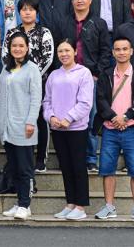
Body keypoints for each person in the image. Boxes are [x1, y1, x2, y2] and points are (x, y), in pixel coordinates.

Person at [55, 0, 112, 171]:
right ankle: (71, 157)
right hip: (68, 77)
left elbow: (106, 51)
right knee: (68, 115)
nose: (79, 1)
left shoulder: (99, 23)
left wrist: (97, 74)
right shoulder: (64, 22)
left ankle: (90, 158)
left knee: (89, 116)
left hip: (90, 77)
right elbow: (59, 48)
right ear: (71, 1)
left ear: (90, 0)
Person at [2, 0, 54, 172]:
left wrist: (31, 76)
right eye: (24, 9)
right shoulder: (12, 33)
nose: (27, 12)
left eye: (31, 9)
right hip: (15, 84)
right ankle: (21, 157)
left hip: (38, 82)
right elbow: (5, 55)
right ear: (19, 12)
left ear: (36, 12)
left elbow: (48, 57)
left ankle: (41, 159)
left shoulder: (44, 32)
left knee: (39, 118)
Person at [43, 38, 93, 220]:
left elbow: (85, 102)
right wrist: (51, 117)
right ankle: (70, 203)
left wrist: (68, 118)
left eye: (67, 50)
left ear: (75, 51)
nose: (63, 54)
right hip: (58, 129)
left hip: (77, 129)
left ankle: (80, 206)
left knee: (78, 167)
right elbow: (46, 101)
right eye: (60, 51)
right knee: (65, 167)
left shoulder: (84, 73)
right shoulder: (53, 75)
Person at [0, 32, 42, 220]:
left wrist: (31, 121)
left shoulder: (32, 69)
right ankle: (19, 202)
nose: (17, 49)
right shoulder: (6, 70)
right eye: (14, 45)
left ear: (27, 48)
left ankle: (25, 204)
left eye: (21, 46)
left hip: (24, 126)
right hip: (7, 127)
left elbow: (36, 98)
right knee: (14, 167)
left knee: (25, 168)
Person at [93, 37, 134, 219]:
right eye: (118, 49)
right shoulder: (106, 74)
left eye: (125, 49)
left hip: (131, 128)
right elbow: (100, 100)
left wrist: (125, 117)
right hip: (110, 128)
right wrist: (114, 117)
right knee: (107, 169)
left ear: (131, 51)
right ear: (113, 52)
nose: (121, 52)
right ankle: (109, 207)